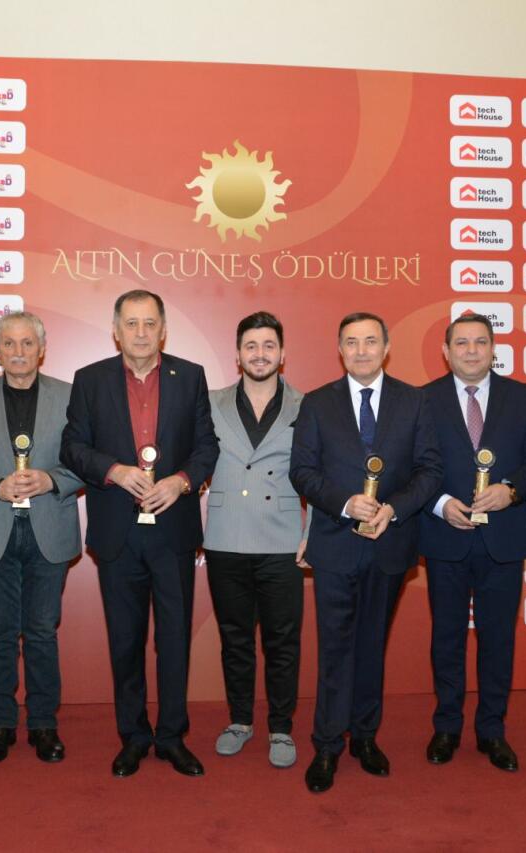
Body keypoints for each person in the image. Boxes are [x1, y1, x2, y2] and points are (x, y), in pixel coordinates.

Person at [60, 290, 219, 778]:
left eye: (150, 323)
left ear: (163, 330)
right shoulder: (90, 380)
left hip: (173, 530)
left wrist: (181, 481)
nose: (141, 333)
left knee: (174, 640)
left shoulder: (190, 376)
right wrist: (113, 470)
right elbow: (72, 447)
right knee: (125, 640)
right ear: (116, 330)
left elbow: (207, 446)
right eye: (131, 323)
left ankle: (171, 736)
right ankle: (132, 736)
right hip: (118, 532)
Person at [290, 311, 443, 793]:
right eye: (352, 342)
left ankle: (365, 737)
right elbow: (302, 470)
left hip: (389, 543)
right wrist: (344, 503)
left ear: (386, 347)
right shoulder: (317, 403)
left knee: (372, 644)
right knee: (335, 647)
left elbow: (430, 470)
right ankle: (327, 744)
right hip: (335, 544)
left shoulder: (414, 401)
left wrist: (392, 509)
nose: (361, 351)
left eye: (370, 341)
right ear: (340, 350)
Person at [0, 311, 84, 766]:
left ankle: (44, 724)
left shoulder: (71, 397)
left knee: (43, 633)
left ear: (41, 349)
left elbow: (86, 459)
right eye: (9, 343)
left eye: (28, 343)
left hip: (49, 528)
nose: (19, 352)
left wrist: (51, 479)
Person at [419, 313, 526, 772]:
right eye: (461, 343)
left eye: (480, 342)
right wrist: (439, 504)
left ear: (494, 349)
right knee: (446, 638)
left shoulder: (523, 397)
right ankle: (447, 726)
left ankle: (492, 729)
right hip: (445, 536)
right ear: (446, 351)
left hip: (503, 538)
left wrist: (511, 491)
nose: (471, 350)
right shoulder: (422, 400)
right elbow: (414, 466)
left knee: (498, 640)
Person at [203, 312, 308, 769]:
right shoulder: (210, 403)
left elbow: (320, 474)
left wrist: (312, 534)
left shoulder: (307, 405)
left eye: (268, 345)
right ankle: (240, 721)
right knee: (235, 639)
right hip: (225, 536)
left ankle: (281, 727)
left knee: (283, 642)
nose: (259, 354)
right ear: (238, 354)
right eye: (251, 345)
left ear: (282, 354)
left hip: (283, 539)